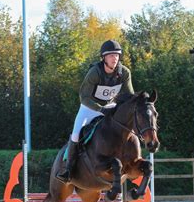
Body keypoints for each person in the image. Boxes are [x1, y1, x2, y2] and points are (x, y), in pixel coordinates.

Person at [56, 39, 135, 183]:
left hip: (111, 108)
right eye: (111, 55)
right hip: (90, 108)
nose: (115, 58)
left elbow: (129, 96)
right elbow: (84, 97)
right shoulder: (95, 72)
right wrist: (99, 109)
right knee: (75, 135)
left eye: (117, 55)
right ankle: (68, 169)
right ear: (104, 58)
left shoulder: (124, 72)